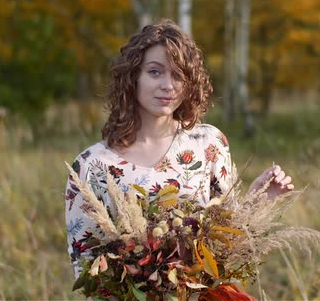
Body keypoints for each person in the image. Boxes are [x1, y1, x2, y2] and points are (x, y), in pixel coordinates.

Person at [64, 19, 293, 280]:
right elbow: (85, 267)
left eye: (178, 75)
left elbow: (228, 235)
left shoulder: (208, 144)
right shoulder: (92, 165)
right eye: (155, 72)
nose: (168, 85)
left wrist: (261, 198)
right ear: (132, 77)